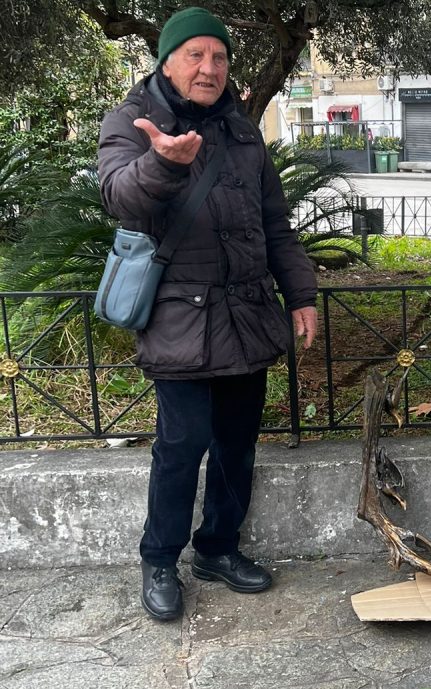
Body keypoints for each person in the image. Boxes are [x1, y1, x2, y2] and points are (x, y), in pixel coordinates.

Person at [97, 7, 318, 622]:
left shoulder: (241, 131)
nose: (209, 68)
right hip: (178, 317)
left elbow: (275, 223)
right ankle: (160, 558)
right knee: (182, 442)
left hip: (245, 316)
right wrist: (163, 162)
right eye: (195, 55)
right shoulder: (133, 119)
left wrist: (299, 293)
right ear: (167, 60)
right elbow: (118, 192)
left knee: (236, 444)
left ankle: (217, 549)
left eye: (218, 57)